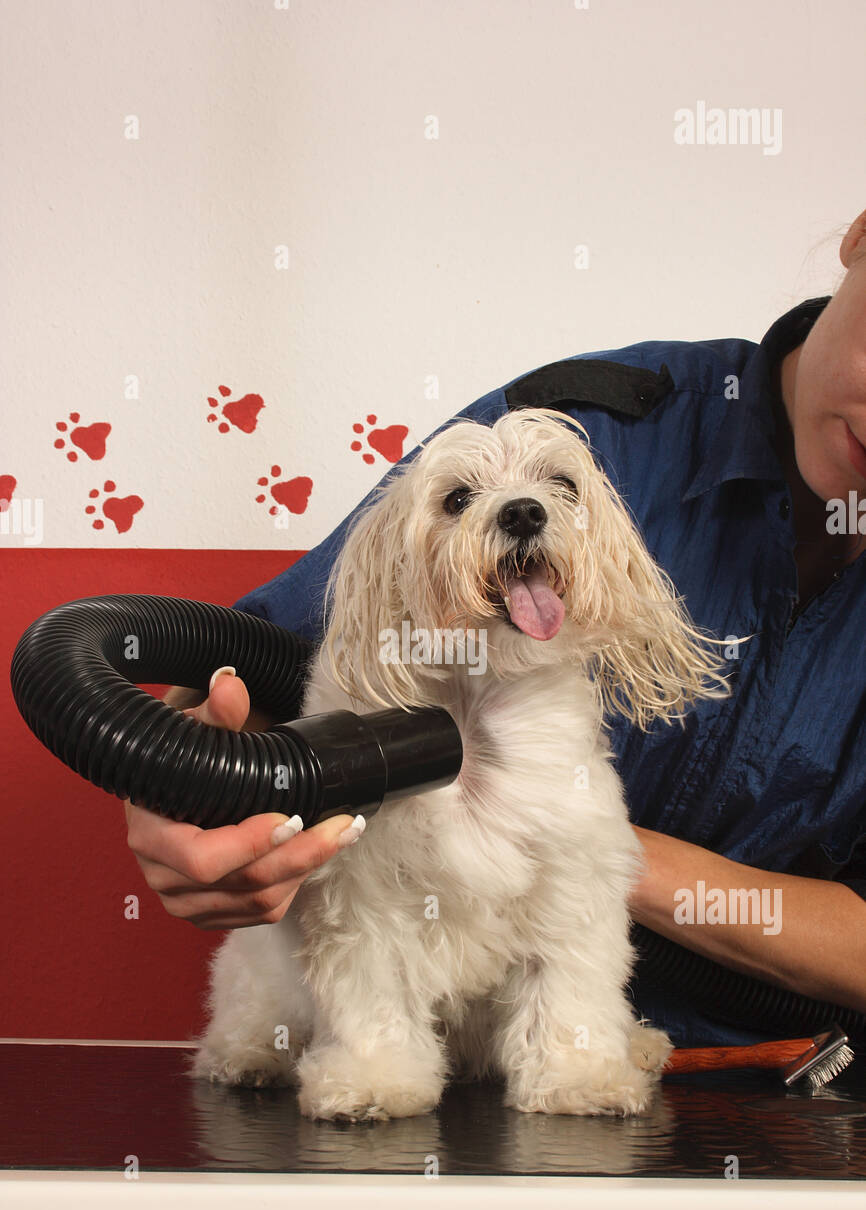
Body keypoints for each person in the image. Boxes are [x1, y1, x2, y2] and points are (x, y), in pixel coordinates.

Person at [125, 210, 866, 1048]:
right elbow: (261, 668)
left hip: (770, 1087)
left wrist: (585, 848)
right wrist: (196, 788)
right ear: (860, 239)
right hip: (419, 1053)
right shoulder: (597, 431)